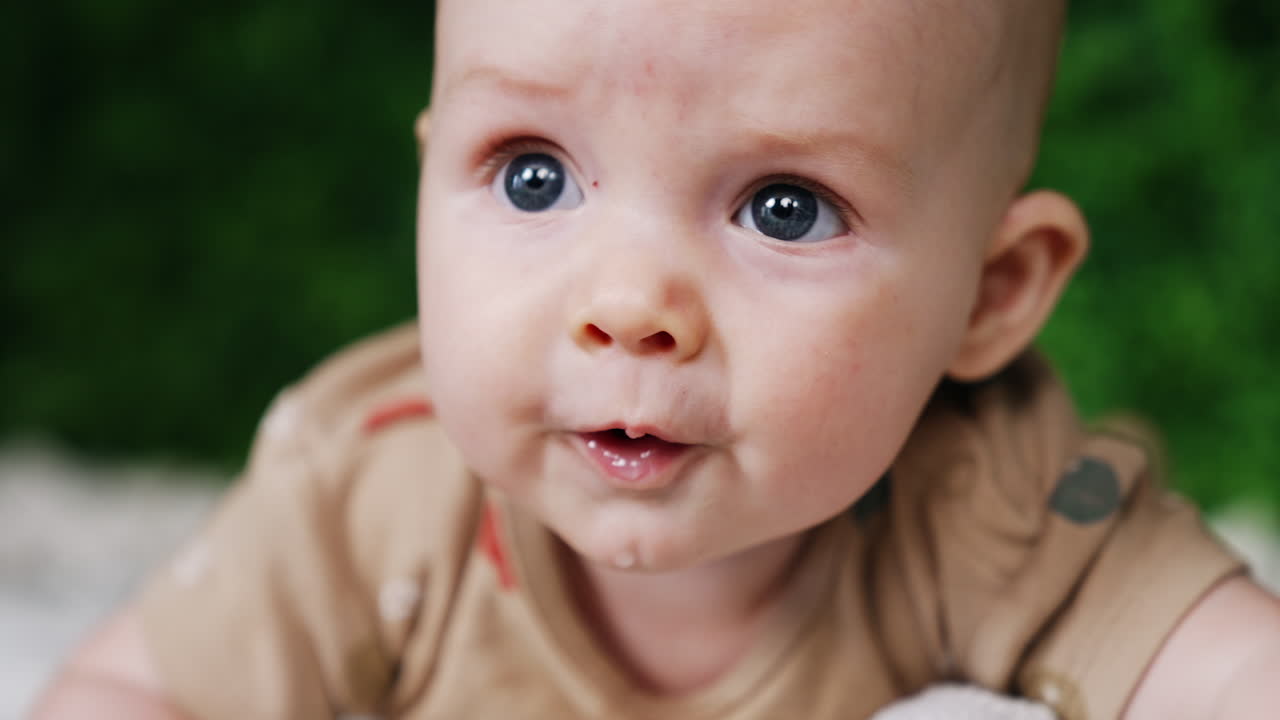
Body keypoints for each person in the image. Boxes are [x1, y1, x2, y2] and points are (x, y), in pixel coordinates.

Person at [34, 1, 1280, 718]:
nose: (627, 308)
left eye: (784, 207)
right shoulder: (365, 499)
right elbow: (131, 696)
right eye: (533, 175)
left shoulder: (991, 506)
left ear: (987, 295)